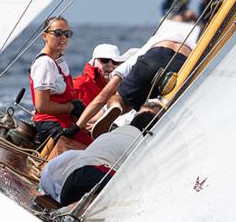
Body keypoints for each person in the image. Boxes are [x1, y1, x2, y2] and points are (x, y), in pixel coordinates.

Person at [66, 23, 197, 139]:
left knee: (121, 99)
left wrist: (77, 126)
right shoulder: (194, 44)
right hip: (183, 62)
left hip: (152, 58)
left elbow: (102, 96)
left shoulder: (142, 52)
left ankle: (117, 106)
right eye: (105, 60)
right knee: (158, 103)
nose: (111, 64)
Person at [39, 102, 162, 205]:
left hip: (69, 184)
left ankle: (70, 208)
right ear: (150, 133)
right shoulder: (141, 147)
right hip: (96, 179)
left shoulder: (107, 136)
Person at [28, 15, 93, 145]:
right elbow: (42, 106)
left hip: (65, 121)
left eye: (67, 34)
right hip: (50, 124)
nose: (63, 37)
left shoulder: (58, 62)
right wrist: (70, 107)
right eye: (58, 33)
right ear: (44, 36)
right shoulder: (44, 63)